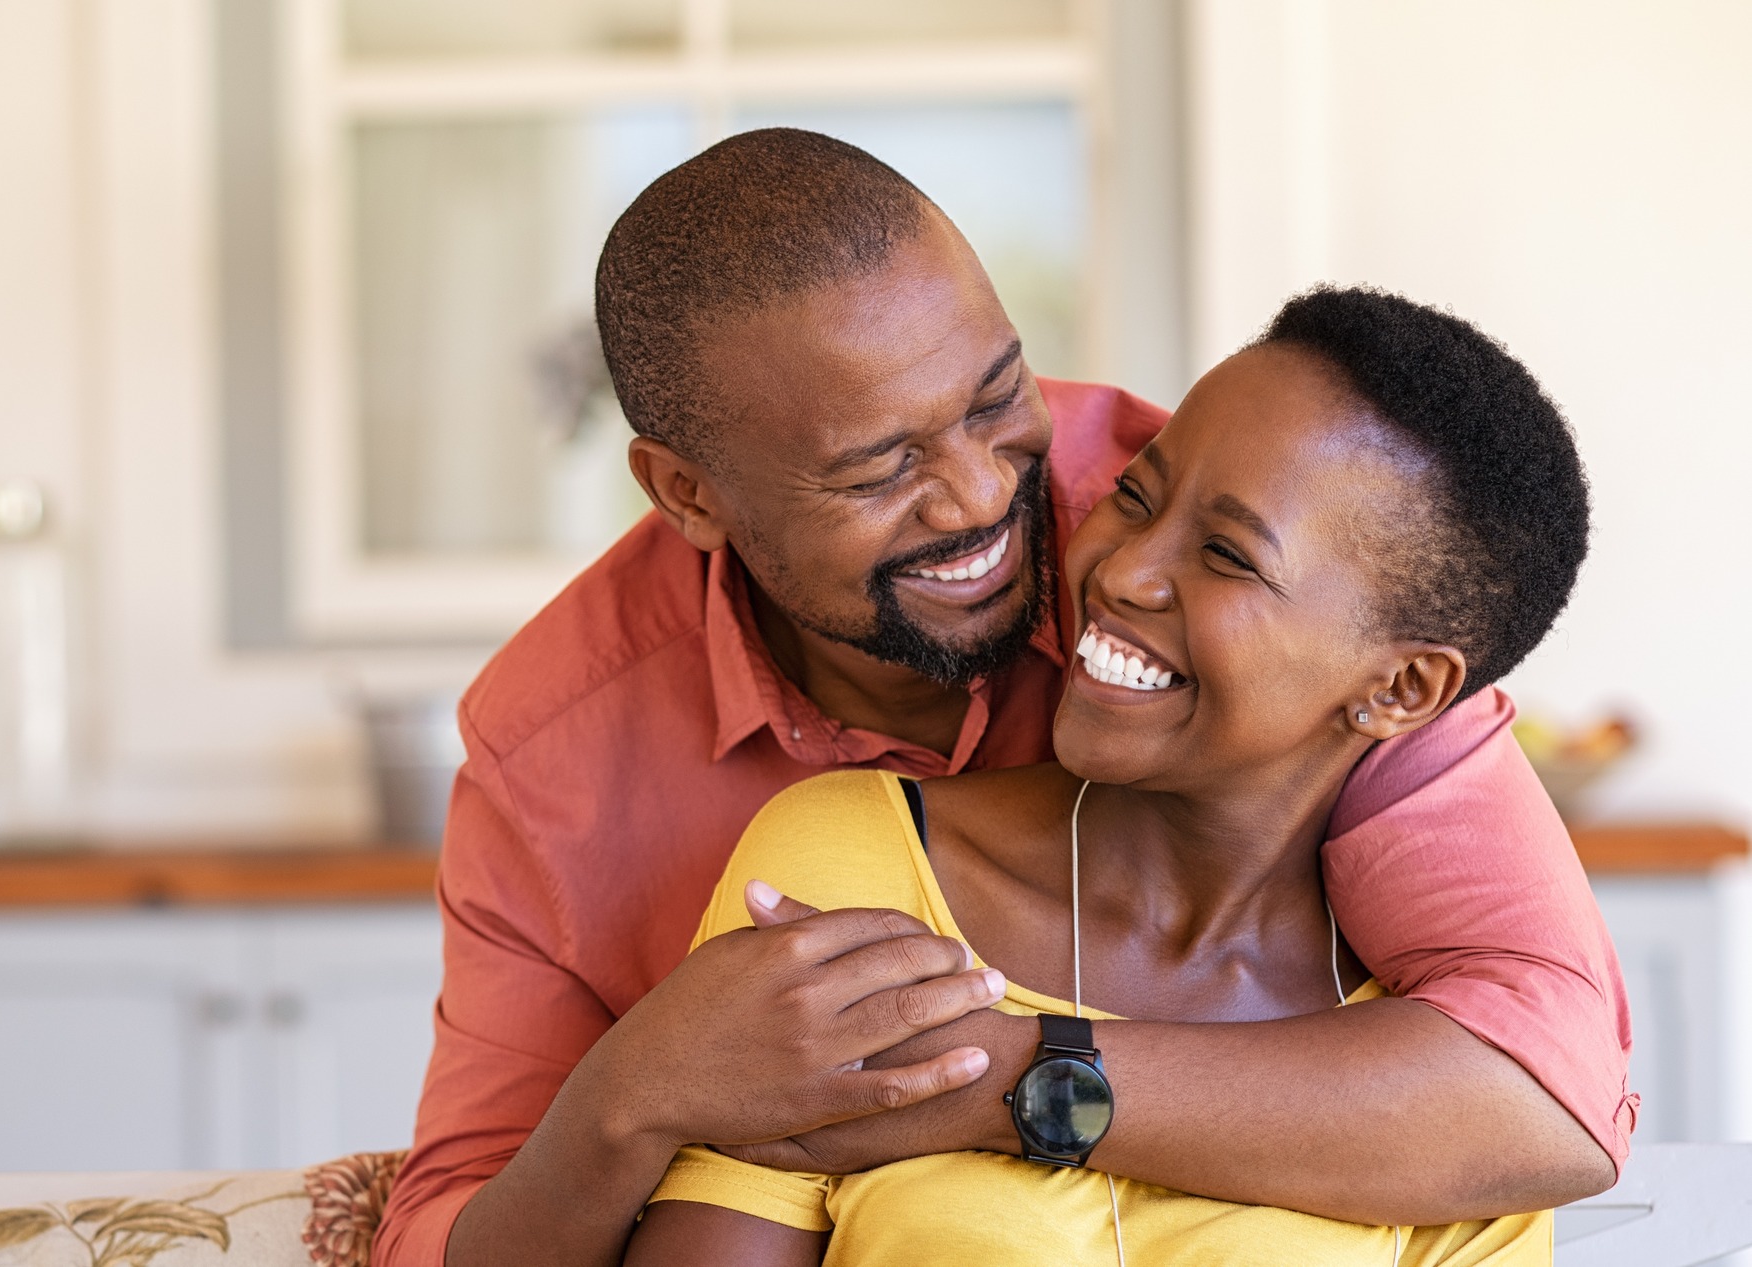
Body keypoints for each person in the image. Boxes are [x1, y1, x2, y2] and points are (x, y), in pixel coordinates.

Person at [374, 130, 1630, 1267]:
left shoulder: (1240, 551)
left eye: (993, 399)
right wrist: (633, 1093)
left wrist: (996, 1080)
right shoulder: (555, 750)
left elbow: (1547, 1083)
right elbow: (453, 1232)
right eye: (881, 466)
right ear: (689, 496)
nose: (981, 497)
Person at [625, 286, 1586, 1265]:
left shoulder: (1452, 1106)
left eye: (1226, 554)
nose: (1124, 571)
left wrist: (998, 1084)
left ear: (1400, 688)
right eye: (1136, 493)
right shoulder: (862, 869)